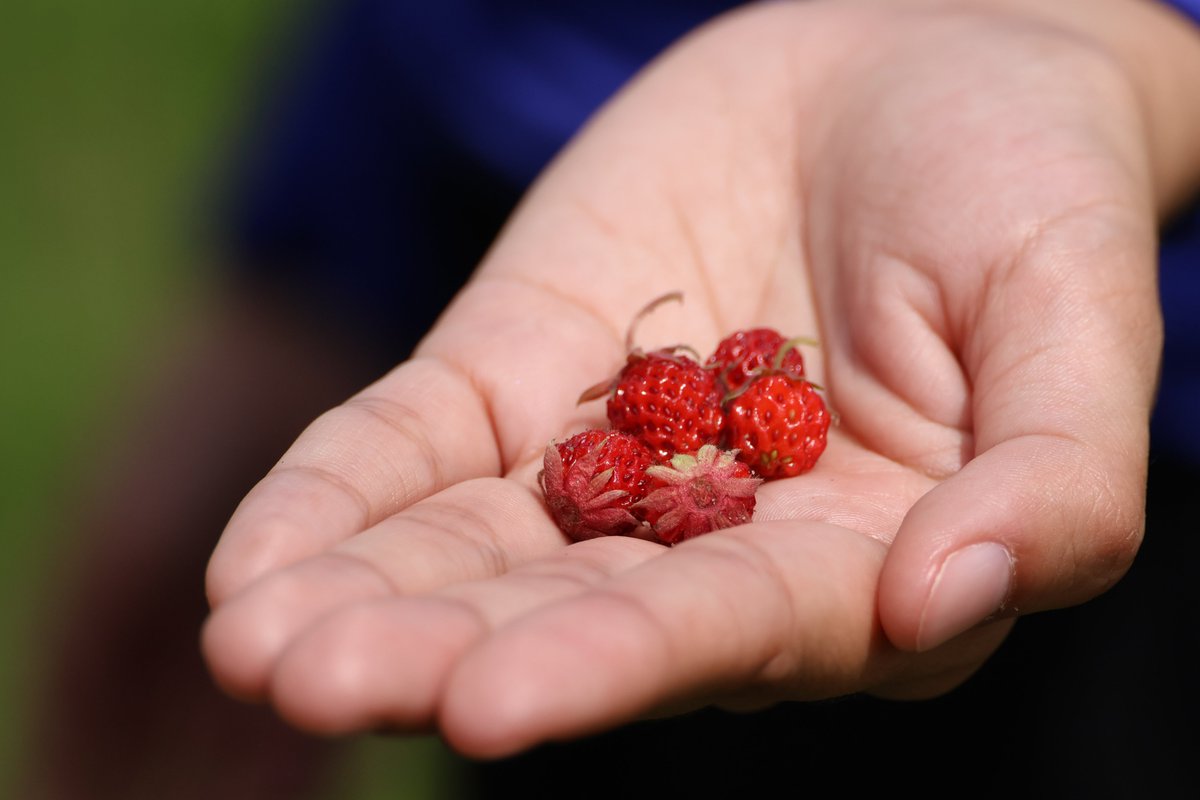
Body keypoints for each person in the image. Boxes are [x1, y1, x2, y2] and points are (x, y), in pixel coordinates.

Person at [31, 0, 1200, 796]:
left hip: (1117, 463)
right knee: (523, 690)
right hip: (507, 213)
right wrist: (338, 239)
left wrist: (1112, 42)